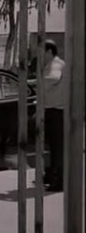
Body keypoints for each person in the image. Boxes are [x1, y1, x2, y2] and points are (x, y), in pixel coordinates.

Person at [29, 39, 65, 191]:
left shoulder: (55, 64)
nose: (39, 55)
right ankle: (51, 175)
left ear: (49, 51)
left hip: (57, 111)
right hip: (53, 110)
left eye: (41, 52)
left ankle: (59, 181)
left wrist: (34, 82)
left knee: (57, 148)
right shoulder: (52, 64)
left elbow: (53, 78)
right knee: (53, 147)